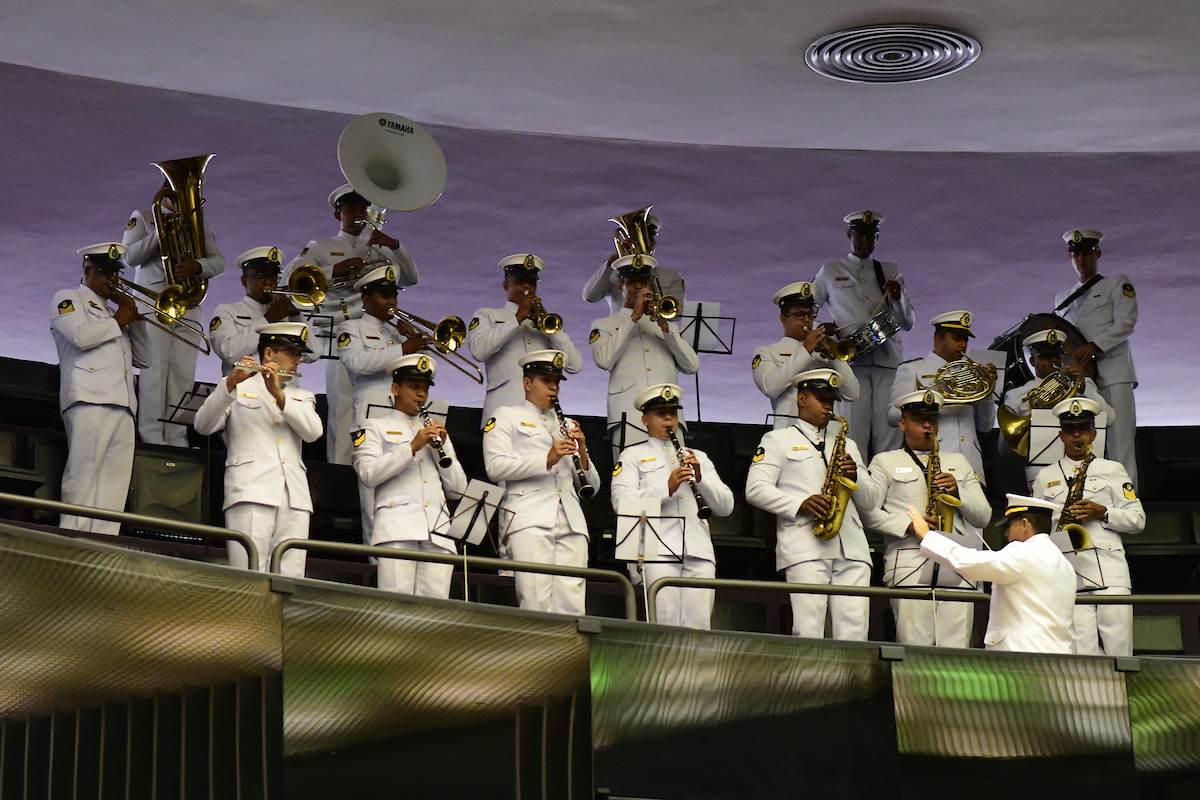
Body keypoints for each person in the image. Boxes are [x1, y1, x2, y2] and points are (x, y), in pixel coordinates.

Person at [284, 184, 419, 464]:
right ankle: (340, 470)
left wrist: (393, 245)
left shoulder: (378, 245)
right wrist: (334, 271)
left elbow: (410, 278)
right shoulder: (322, 246)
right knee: (342, 407)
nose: (358, 214)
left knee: (381, 401)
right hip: (340, 332)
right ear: (338, 215)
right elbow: (290, 279)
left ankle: (378, 465)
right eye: (351, 209)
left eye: (362, 208)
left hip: (377, 333)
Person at [745, 369, 881, 640]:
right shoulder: (777, 440)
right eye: (821, 398)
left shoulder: (847, 445)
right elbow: (755, 490)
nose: (828, 405)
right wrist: (800, 504)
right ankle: (809, 683)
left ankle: (852, 682)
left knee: (855, 632)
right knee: (809, 630)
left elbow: (871, 500)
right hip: (806, 544)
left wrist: (856, 477)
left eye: (831, 399)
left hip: (851, 546)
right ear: (802, 398)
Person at [861, 390, 992, 647]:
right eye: (920, 420)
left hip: (956, 562)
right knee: (913, 646)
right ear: (903, 423)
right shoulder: (885, 461)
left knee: (956, 648)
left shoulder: (958, 461)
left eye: (932, 420)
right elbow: (868, 513)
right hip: (910, 561)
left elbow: (984, 516)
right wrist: (906, 525)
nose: (928, 426)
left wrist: (959, 491)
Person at [194, 322, 320, 575]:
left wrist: (279, 395)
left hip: (294, 497)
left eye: (299, 355)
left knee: (290, 576)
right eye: (291, 353)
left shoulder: (301, 396)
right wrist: (230, 383)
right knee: (250, 575)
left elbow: (313, 433)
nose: (297, 361)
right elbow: (203, 425)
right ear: (270, 354)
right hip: (251, 491)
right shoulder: (237, 387)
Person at [482, 350, 600, 615]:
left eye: (556, 382)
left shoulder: (566, 424)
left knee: (572, 605)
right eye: (546, 381)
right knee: (536, 603)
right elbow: (495, 467)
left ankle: (568, 656)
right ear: (527, 383)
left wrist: (581, 450)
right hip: (530, 519)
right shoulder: (505, 416)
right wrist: (546, 459)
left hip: (571, 520)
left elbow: (591, 487)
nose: (554, 387)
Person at [610, 383, 735, 629]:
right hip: (658, 552)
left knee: (699, 629)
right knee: (664, 628)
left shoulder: (698, 456)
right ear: (645, 420)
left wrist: (701, 478)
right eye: (660, 414)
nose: (669, 418)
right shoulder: (632, 455)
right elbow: (620, 503)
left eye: (673, 413)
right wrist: (665, 488)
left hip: (699, 551)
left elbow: (726, 506)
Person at [50, 243, 153, 533]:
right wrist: (119, 319)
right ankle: (71, 545)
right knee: (82, 482)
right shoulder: (69, 299)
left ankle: (103, 554)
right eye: (105, 272)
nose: (113, 278)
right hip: (89, 401)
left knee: (113, 489)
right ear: (86, 271)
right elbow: (80, 336)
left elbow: (145, 359)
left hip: (123, 406)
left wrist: (137, 320)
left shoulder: (114, 312)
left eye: (116, 273)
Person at [1031, 397, 1144, 656]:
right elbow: (1037, 528)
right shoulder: (1045, 476)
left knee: (1119, 650)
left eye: (1083, 429)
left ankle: (1118, 697)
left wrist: (1102, 512)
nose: (1077, 435)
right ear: (1061, 435)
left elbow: (1138, 519)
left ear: (1093, 433)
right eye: (1071, 430)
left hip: (1110, 572)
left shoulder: (1113, 469)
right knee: (1082, 653)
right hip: (1068, 573)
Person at [353, 355, 468, 597]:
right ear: (395, 388)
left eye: (424, 389)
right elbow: (368, 474)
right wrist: (411, 447)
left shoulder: (435, 432)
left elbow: (458, 489)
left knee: (433, 614)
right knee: (396, 611)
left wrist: (444, 449)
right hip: (397, 530)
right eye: (414, 387)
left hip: (438, 534)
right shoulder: (374, 426)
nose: (421, 395)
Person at [335, 265, 433, 547]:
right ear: (366, 299)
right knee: (374, 502)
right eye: (384, 295)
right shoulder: (350, 327)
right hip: (372, 418)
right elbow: (356, 363)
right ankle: (378, 563)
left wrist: (414, 344)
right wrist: (403, 348)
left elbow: (423, 373)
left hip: (407, 425)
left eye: (394, 295)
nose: (392, 301)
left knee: (408, 491)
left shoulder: (399, 333)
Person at [122, 181, 226, 446]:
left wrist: (197, 266)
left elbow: (219, 263)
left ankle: (177, 440)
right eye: (176, 189)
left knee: (182, 377)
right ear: (162, 191)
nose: (182, 196)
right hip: (154, 305)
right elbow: (129, 257)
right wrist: (160, 234)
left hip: (188, 307)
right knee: (154, 375)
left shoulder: (198, 224)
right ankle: (152, 440)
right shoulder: (143, 218)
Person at [910, 495, 1077, 654]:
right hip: (1058, 658)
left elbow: (969, 562)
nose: (1006, 533)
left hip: (1024, 656)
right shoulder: (1064, 563)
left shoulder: (1022, 553)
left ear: (1025, 524)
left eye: (1009, 526)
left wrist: (927, 537)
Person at [812, 211, 916, 459]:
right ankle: (855, 491)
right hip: (852, 362)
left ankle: (888, 491)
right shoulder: (830, 270)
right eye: (861, 236)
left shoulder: (890, 270)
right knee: (852, 434)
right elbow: (807, 307)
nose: (866, 243)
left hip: (888, 360)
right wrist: (822, 328)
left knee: (889, 431)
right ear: (850, 235)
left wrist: (897, 297)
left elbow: (908, 322)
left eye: (871, 237)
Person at [1054, 228, 1139, 489]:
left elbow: (1127, 323)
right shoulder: (1062, 298)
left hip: (1113, 373)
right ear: (1070, 258)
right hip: (1082, 379)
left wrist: (1093, 346)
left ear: (1097, 253)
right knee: (1089, 442)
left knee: (1119, 442)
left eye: (1087, 252)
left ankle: (1128, 505)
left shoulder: (1116, 284)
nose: (1082, 258)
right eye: (1076, 254)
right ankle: (1096, 497)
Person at [590, 254, 700, 452]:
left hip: (669, 415)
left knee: (675, 475)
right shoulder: (604, 325)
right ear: (619, 285)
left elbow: (692, 366)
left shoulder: (666, 326)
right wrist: (633, 318)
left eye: (643, 281)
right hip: (628, 417)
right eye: (632, 282)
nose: (638, 287)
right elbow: (603, 360)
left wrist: (667, 329)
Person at [468, 254, 583, 423]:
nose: (527, 286)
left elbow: (575, 365)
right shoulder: (488, 315)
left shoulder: (545, 323)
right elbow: (479, 351)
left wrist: (552, 331)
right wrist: (517, 319)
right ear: (506, 285)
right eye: (520, 281)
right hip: (502, 412)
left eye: (532, 282)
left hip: (542, 418)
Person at [889, 311, 997, 486]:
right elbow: (892, 417)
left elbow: (985, 426)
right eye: (956, 339)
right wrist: (928, 401)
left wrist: (987, 388)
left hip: (971, 466)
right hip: (933, 463)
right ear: (937, 339)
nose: (963, 345)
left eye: (966, 340)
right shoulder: (912, 370)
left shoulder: (971, 374)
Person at [1000, 329, 1113, 485]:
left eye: (1058, 356)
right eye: (1046, 357)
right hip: (1041, 472)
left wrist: (1083, 389)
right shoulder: (1017, 395)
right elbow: (1003, 450)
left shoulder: (1081, 385)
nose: (1054, 361)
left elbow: (1110, 419)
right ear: (1033, 361)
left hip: (1084, 469)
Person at [752, 281, 859, 429]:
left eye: (810, 314)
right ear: (783, 319)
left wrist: (834, 356)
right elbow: (770, 388)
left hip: (829, 435)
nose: (807, 320)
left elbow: (852, 394)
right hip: (790, 434)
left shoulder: (824, 352)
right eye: (799, 315)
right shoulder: (767, 351)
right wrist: (805, 351)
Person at [209, 247, 306, 376]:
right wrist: (267, 320)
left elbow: (314, 354)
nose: (268, 282)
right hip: (244, 391)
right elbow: (229, 353)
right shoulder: (227, 311)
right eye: (260, 276)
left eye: (273, 277)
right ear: (244, 281)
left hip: (284, 391)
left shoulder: (287, 313)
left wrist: (295, 316)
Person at [582, 210, 685, 314]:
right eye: (634, 240)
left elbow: (677, 314)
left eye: (645, 240)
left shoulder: (672, 277)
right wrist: (611, 261)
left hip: (655, 329)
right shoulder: (613, 275)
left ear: (653, 244)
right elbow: (590, 296)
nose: (638, 245)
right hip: (619, 329)